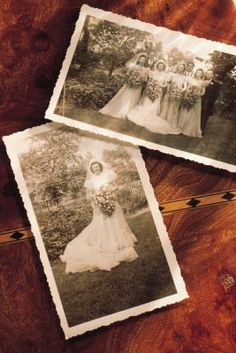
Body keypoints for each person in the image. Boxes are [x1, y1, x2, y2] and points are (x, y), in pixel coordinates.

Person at [60, 160, 139, 273]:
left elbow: (115, 187)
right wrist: (98, 201)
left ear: (100, 167)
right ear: (92, 170)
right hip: (100, 204)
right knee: (105, 224)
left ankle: (120, 241)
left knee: (115, 221)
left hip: (111, 201)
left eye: (97, 167)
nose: (96, 169)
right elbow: (89, 196)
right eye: (94, 168)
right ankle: (109, 243)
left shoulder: (107, 175)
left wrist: (110, 194)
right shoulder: (90, 181)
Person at [127, 60, 179, 134]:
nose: (160, 67)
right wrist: (151, 86)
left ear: (164, 67)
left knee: (155, 104)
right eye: (159, 65)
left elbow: (165, 84)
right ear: (157, 66)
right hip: (150, 90)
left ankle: (151, 117)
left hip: (158, 91)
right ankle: (143, 116)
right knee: (147, 103)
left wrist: (159, 86)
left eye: (162, 66)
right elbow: (149, 81)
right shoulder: (153, 73)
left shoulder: (165, 75)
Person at [99, 54, 148, 119]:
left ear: (145, 61)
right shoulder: (134, 66)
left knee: (133, 99)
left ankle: (129, 113)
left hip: (137, 86)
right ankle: (121, 110)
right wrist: (131, 80)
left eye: (144, 60)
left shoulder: (145, 70)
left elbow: (145, 80)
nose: (142, 61)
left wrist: (138, 82)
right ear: (139, 60)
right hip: (129, 84)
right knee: (125, 96)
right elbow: (128, 74)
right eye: (141, 59)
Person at [178, 68, 205, 138]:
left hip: (196, 100)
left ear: (202, 75)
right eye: (197, 73)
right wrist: (188, 94)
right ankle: (181, 129)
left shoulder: (203, 82)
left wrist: (197, 96)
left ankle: (188, 130)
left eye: (200, 73)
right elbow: (188, 88)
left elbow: (203, 92)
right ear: (195, 73)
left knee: (192, 115)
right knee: (185, 113)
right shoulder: (191, 80)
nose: (198, 74)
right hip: (189, 97)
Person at [161, 61, 188, 128]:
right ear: (178, 67)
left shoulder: (184, 77)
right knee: (166, 106)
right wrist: (168, 86)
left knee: (173, 108)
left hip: (177, 94)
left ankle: (169, 121)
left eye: (182, 68)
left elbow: (185, 86)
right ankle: (162, 120)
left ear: (184, 69)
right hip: (170, 92)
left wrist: (181, 90)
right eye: (180, 67)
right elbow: (167, 81)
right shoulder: (173, 74)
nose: (181, 68)